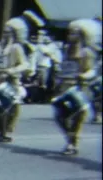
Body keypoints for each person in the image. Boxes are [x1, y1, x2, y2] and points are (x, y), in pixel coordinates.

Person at [0, 11, 44, 143]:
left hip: (12, 80)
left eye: (9, 33)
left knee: (11, 106)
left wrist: (11, 71)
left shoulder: (16, 48)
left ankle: (8, 131)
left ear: (14, 34)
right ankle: (0, 131)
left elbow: (24, 64)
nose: (5, 35)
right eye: (4, 32)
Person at [53, 19, 101, 155]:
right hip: (64, 87)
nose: (70, 36)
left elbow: (91, 70)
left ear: (81, 36)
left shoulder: (86, 52)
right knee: (60, 116)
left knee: (78, 116)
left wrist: (83, 76)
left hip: (80, 88)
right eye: (69, 34)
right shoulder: (66, 51)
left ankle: (72, 143)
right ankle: (71, 139)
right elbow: (63, 69)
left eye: (74, 34)